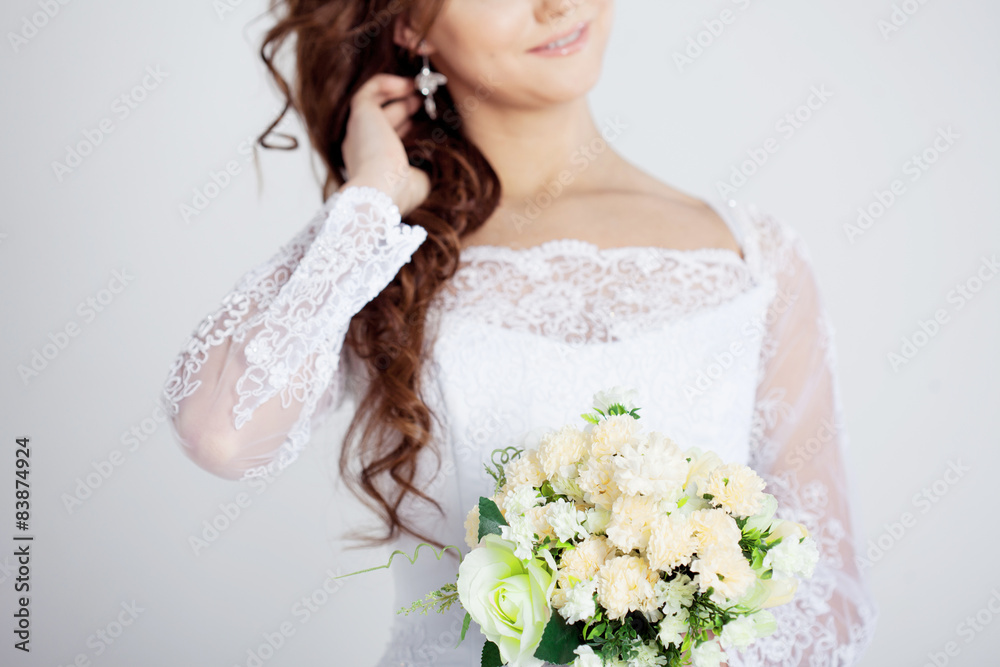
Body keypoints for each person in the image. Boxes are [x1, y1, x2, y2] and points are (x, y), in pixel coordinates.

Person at [161, 0, 877, 664]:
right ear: (411, 25)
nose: (554, 4)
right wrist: (369, 203)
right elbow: (221, 432)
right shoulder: (382, 247)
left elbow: (826, 591)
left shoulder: (755, 259)